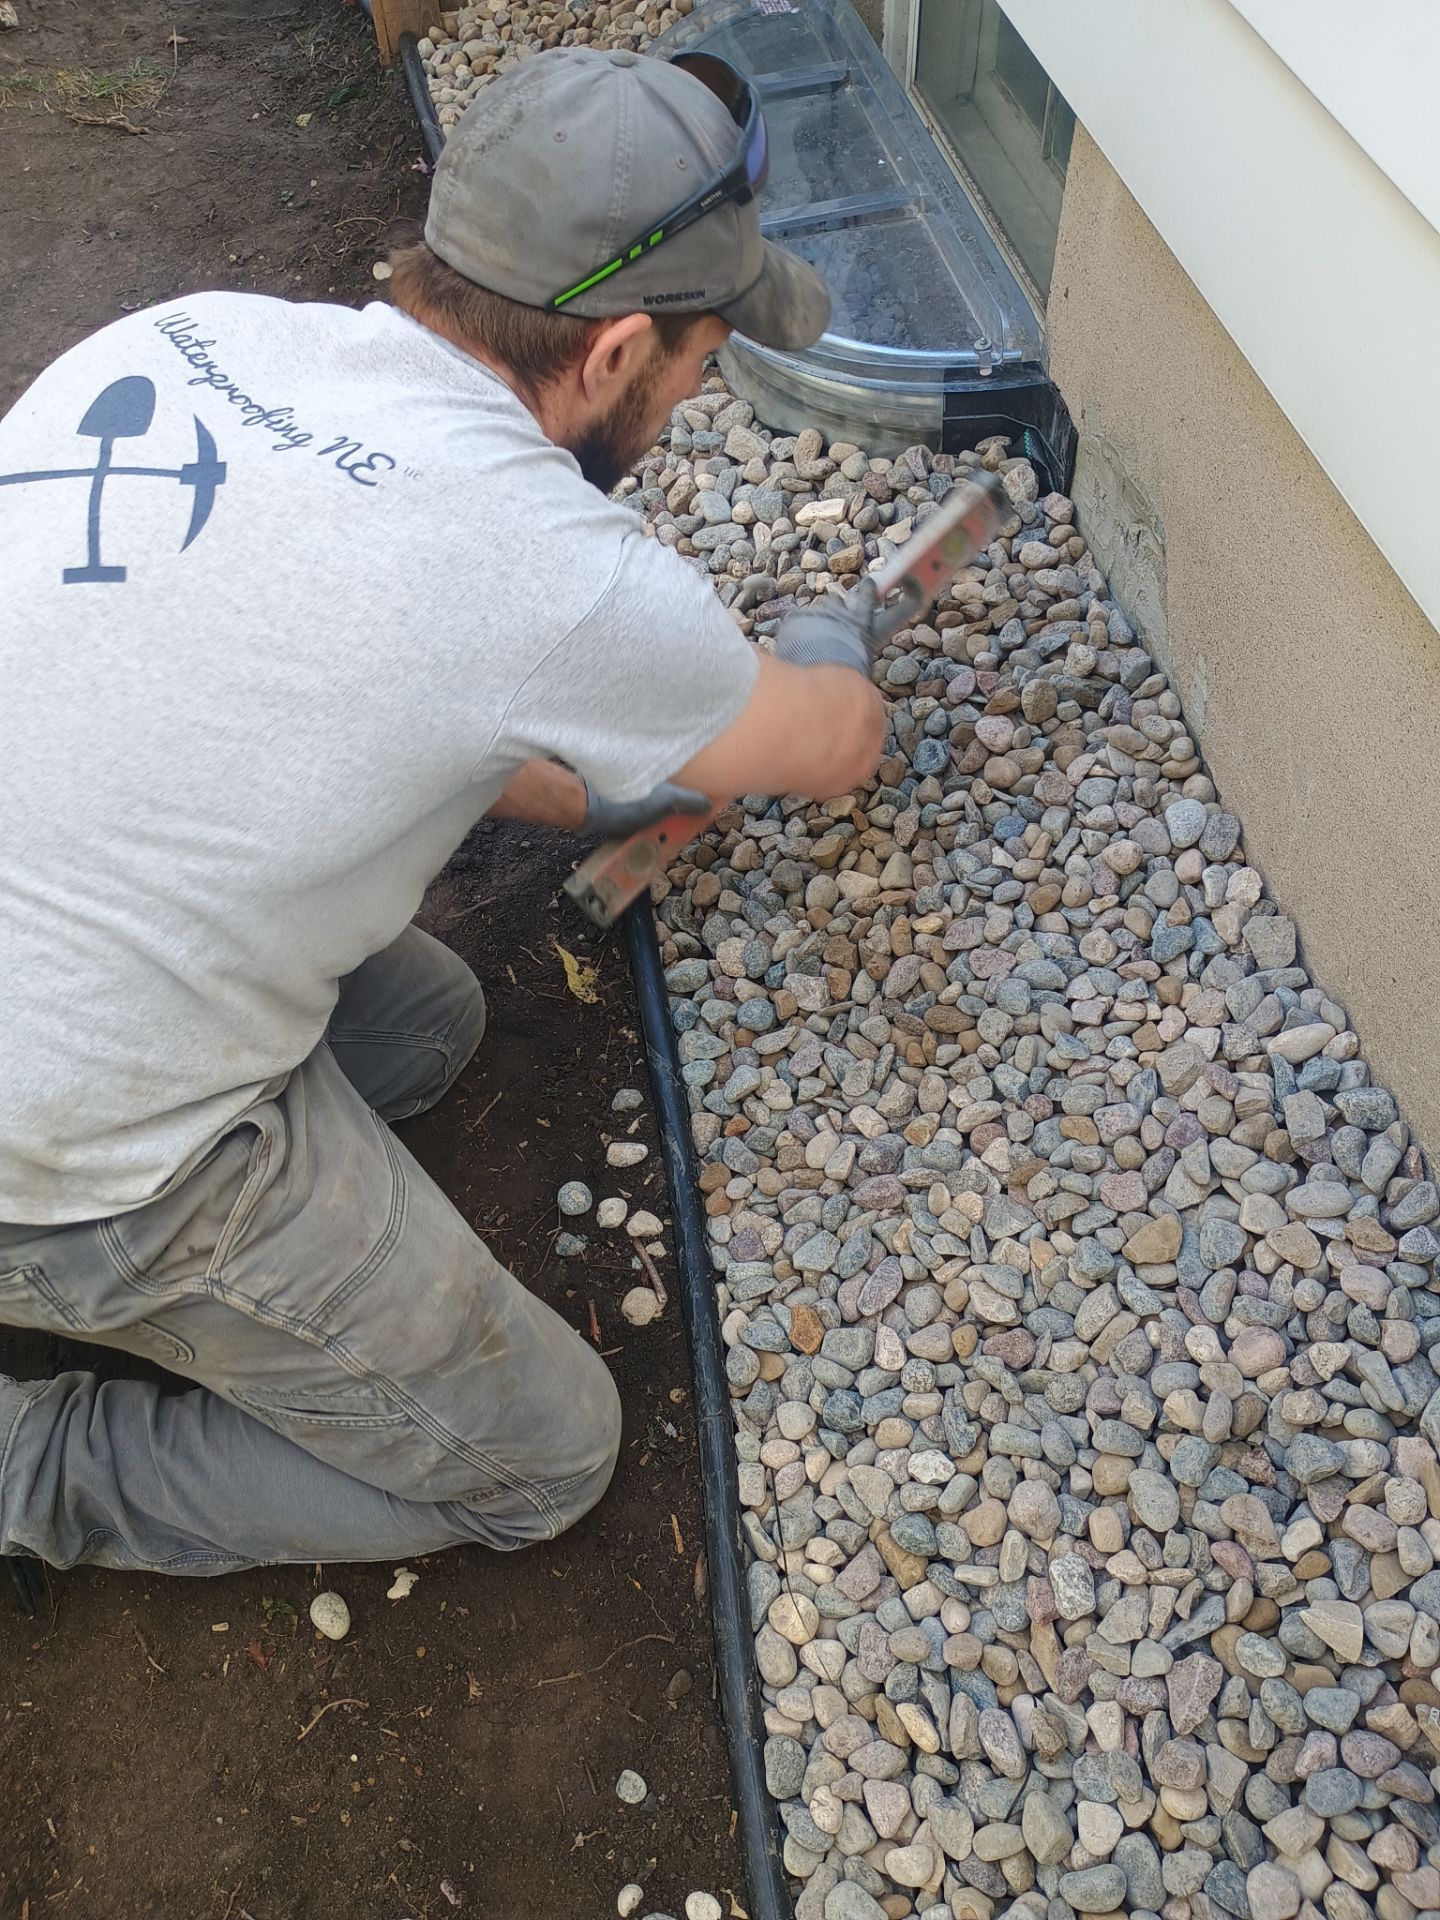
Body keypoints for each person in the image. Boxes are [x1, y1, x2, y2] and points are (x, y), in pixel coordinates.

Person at [0, 47, 885, 1580]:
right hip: (66, 1149)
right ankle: (38, 1469)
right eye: (696, 361)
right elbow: (828, 744)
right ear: (612, 354)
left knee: (426, 1024)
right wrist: (831, 655)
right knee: (543, 1458)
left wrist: (646, 761)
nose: (689, 398)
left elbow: (441, 729)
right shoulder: (541, 557)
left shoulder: (203, 336)